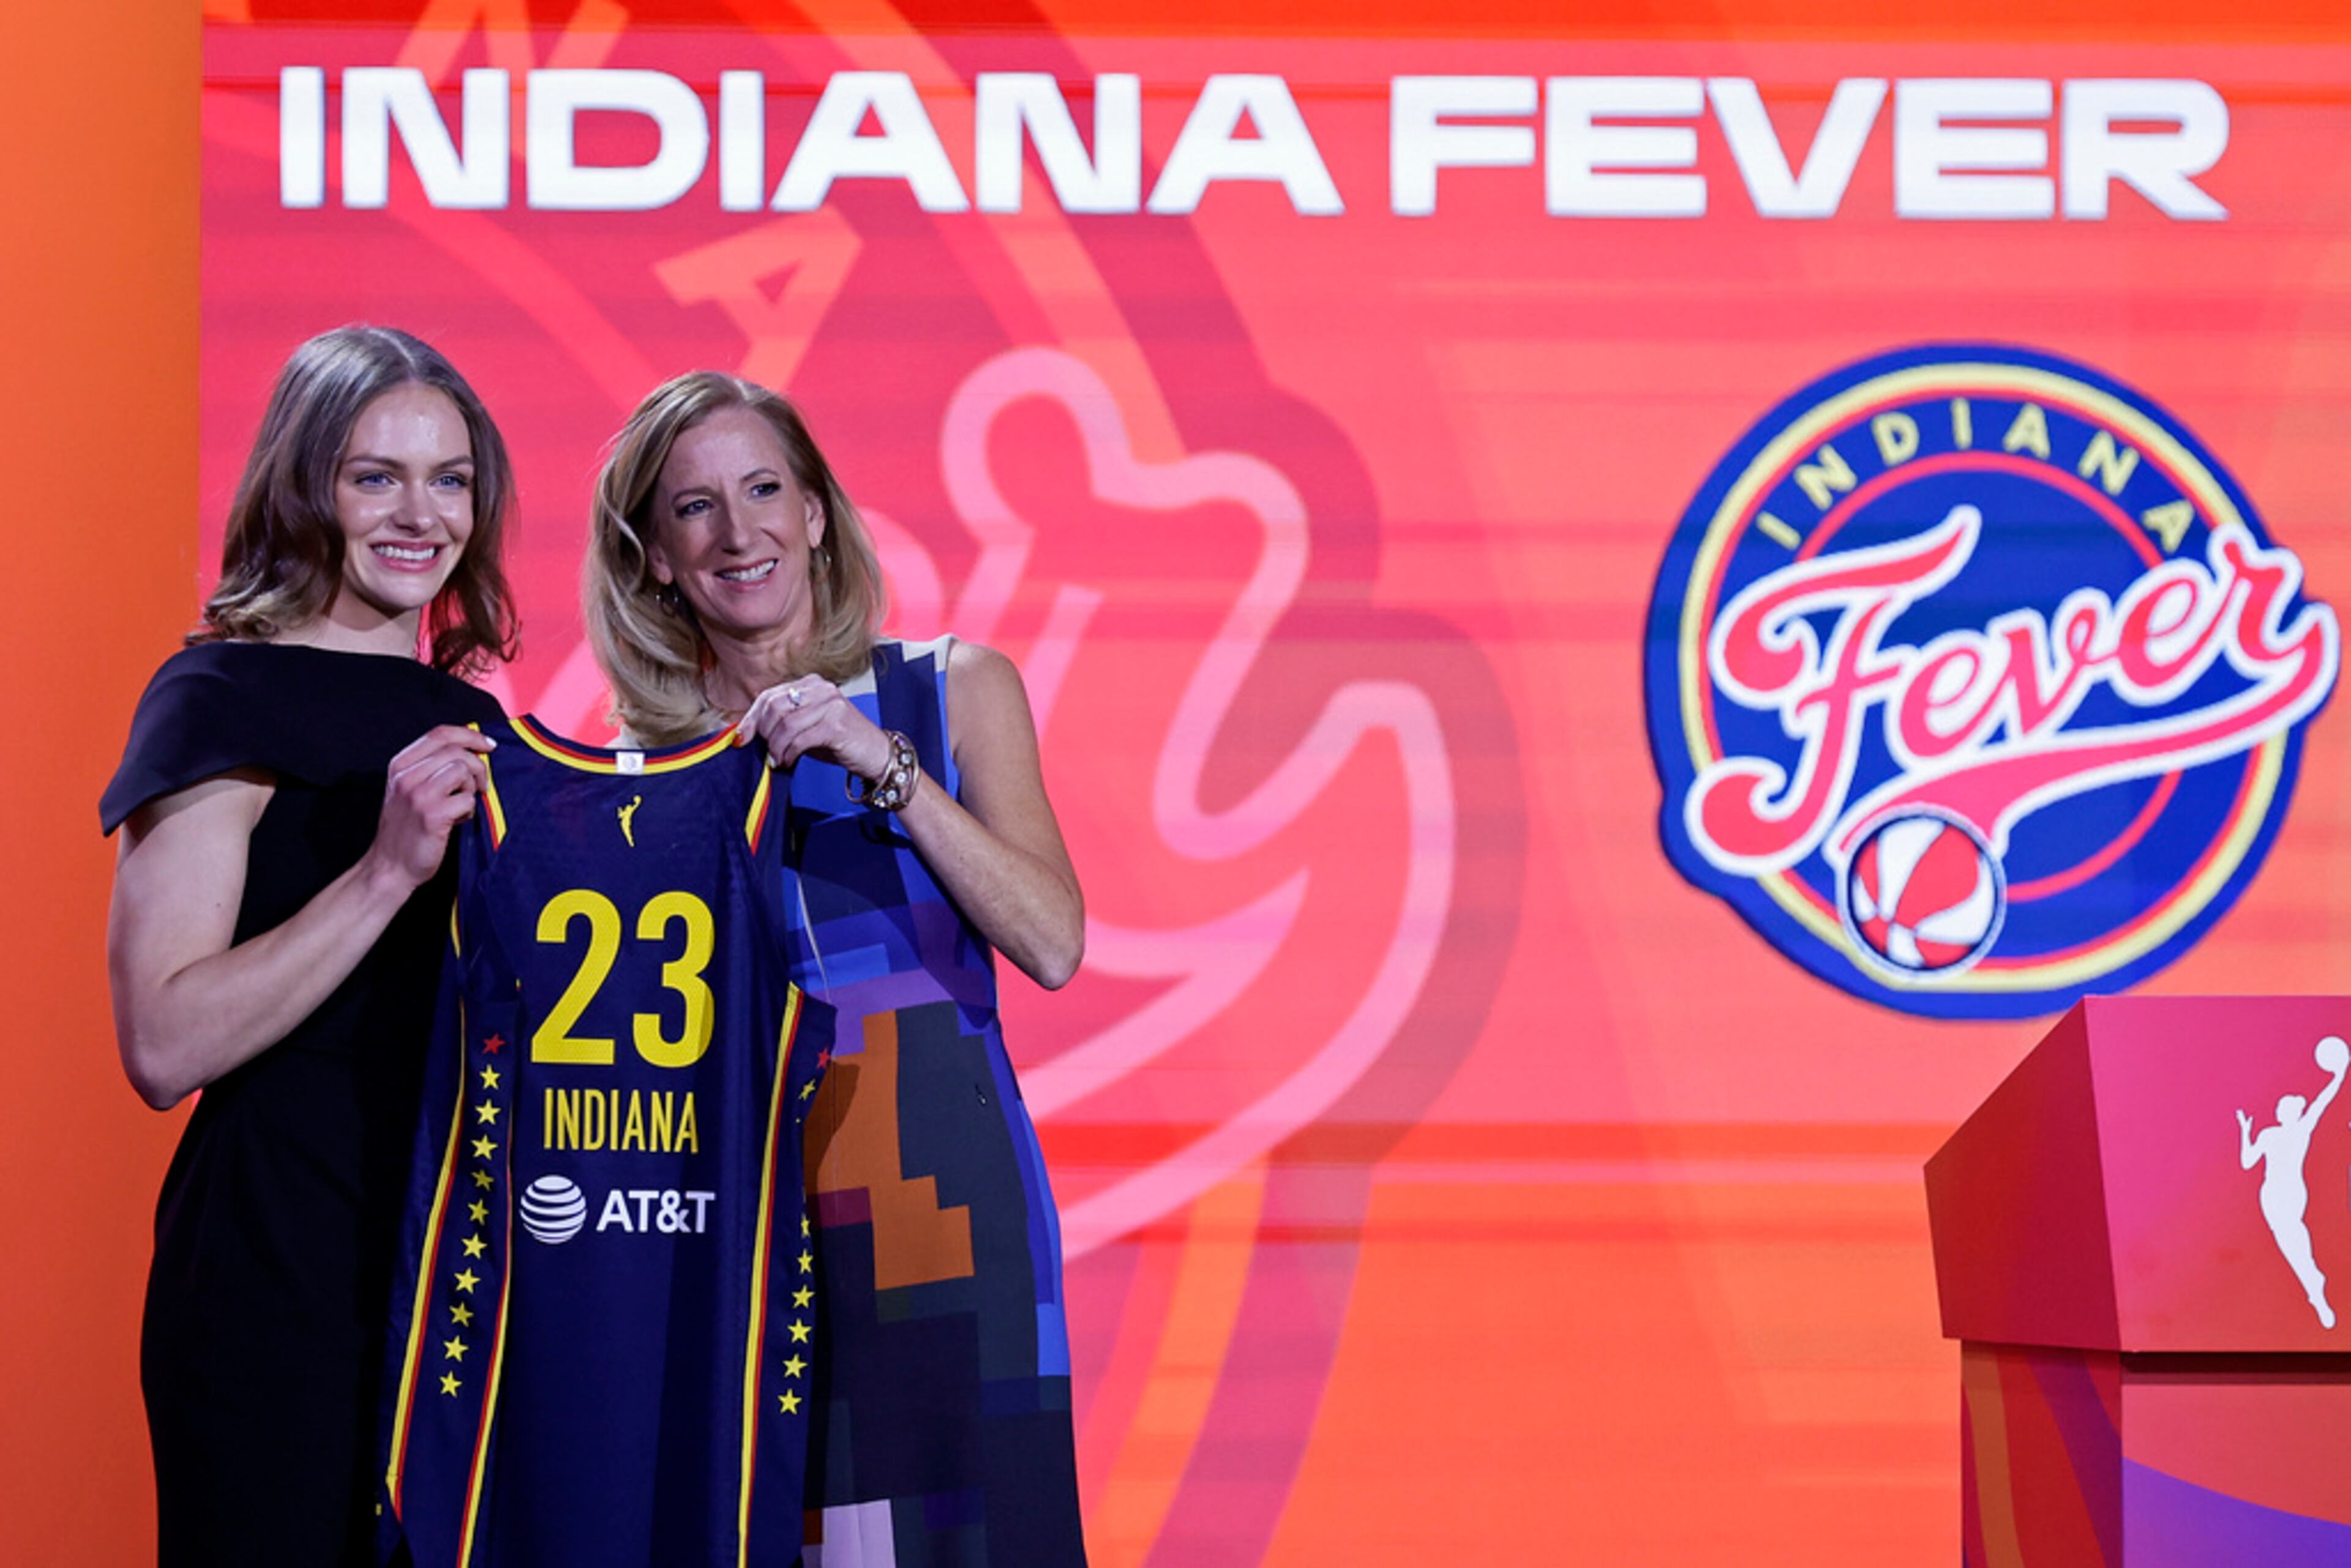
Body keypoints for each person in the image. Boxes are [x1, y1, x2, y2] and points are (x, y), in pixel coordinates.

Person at [583, 370, 1090, 1564]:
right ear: (655, 555)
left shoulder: (951, 689)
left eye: (765, 489)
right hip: (741, 1241)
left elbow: (1054, 940)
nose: (739, 530)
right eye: (695, 507)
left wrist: (885, 766)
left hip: (949, 1239)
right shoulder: (637, 777)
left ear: (816, 512)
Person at [102, 325, 517, 1565]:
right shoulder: (220, 696)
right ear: (304, 483)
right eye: (374, 475)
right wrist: (385, 871)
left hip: (448, 1275)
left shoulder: (477, 722)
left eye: (449, 478)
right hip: (276, 1274)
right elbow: (164, 1041)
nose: (419, 513)